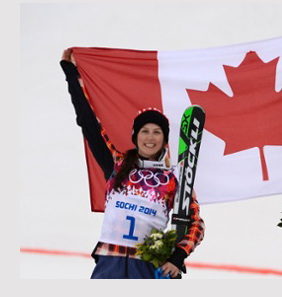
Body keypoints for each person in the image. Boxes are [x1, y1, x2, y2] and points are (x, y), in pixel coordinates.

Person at [60, 49, 205, 279]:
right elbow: (88, 122)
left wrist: (177, 258)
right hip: (109, 262)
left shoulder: (174, 178)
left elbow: (196, 224)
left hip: (147, 266)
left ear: (165, 140)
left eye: (157, 132)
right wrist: (72, 74)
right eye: (144, 131)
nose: (150, 137)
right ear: (135, 136)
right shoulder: (117, 164)